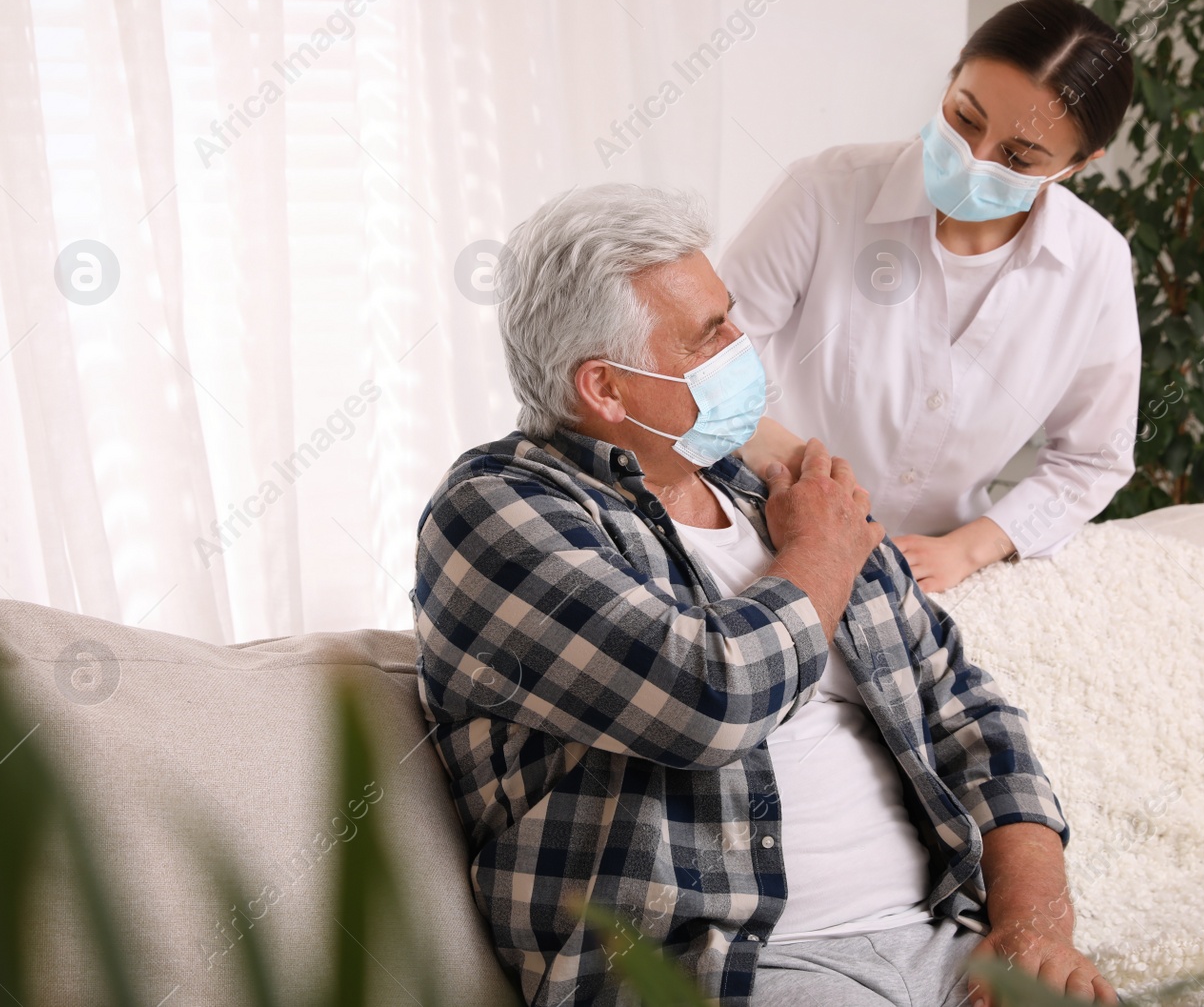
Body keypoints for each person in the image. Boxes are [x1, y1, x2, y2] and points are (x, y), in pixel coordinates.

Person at [411, 184, 1117, 1007]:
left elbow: (968, 709)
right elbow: (709, 697)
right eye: (709, 335)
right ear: (605, 388)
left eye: (731, 315)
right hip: (733, 973)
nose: (743, 345)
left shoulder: (767, 490)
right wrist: (820, 550)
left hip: (945, 941)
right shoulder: (496, 512)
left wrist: (1033, 923)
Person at [724, 0, 1143, 594]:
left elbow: (1093, 457)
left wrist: (970, 548)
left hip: (934, 574)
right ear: (951, 81)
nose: (974, 160)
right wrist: (811, 485)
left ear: (1077, 166)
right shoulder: (826, 192)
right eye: (965, 118)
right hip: (765, 527)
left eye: (1018, 157)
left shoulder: (1095, 264)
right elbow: (707, 362)